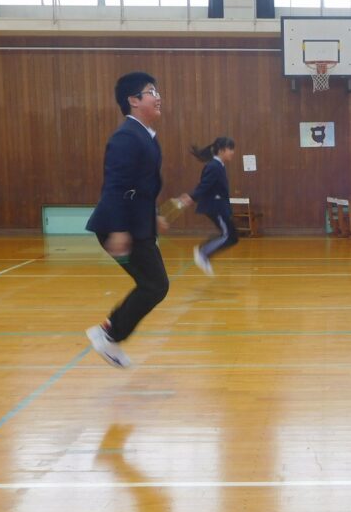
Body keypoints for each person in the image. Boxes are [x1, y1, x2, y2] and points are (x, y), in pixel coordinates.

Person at [85, 72, 169, 367]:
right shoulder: (125, 137)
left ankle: (109, 333)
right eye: (151, 92)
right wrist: (119, 229)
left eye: (157, 91)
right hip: (120, 227)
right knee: (155, 285)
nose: (158, 96)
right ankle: (108, 334)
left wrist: (154, 214)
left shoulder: (145, 136)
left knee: (154, 284)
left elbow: (142, 185)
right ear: (133, 101)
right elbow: (116, 184)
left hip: (137, 225)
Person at [178, 137, 239, 275]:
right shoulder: (214, 166)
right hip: (215, 207)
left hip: (220, 207)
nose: (233, 152)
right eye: (230, 149)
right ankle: (203, 252)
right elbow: (204, 185)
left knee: (232, 237)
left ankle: (204, 253)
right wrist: (191, 197)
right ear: (222, 150)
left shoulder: (219, 166)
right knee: (228, 236)